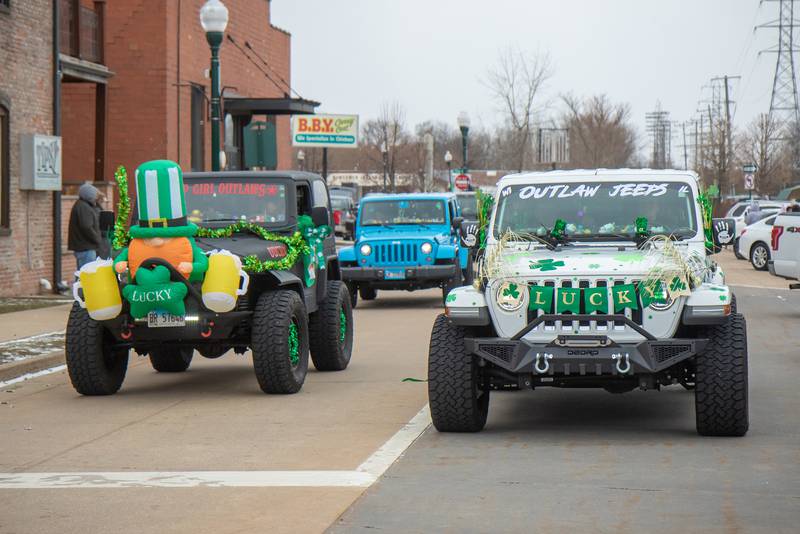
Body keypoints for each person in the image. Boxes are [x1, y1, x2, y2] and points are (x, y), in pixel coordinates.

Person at [68, 183, 102, 269]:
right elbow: (86, 226)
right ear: (89, 195)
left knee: (83, 274)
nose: (96, 197)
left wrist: (98, 203)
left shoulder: (84, 205)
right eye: (95, 195)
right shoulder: (84, 207)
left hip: (84, 247)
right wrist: (97, 239)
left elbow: (99, 212)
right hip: (86, 247)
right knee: (86, 274)